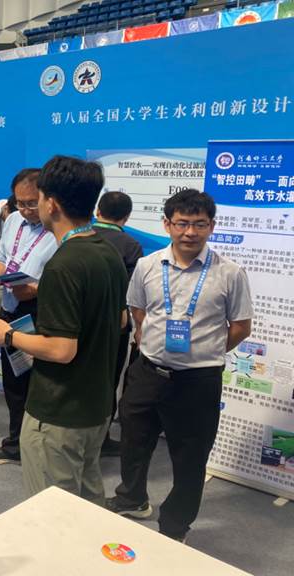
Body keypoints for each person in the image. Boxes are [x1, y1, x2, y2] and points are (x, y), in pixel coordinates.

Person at [106, 189, 252, 542]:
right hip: (147, 371)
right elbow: (138, 311)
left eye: (199, 224)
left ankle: (174, 526)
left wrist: (204, 353)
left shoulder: (230, 273)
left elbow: (240, 327)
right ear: (167, 224)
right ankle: (132, 498)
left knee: (189, 459)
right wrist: (152, 342)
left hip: (197, 382)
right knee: (133, 441)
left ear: (211, 226)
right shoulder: (147, 266)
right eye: (182, 223)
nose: (190, 232)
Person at [0, 155, 127, 505]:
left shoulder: (64, 264)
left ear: (52, 204)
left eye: (39, 198)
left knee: (52, 512)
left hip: (59, 412)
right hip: (94, 407)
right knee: (87, 503)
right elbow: (122, 321)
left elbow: (62, 349)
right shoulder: (107, 252)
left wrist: (8, 335)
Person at [0, 168, 58, 465]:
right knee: (15, 382)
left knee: (41, 383)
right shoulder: (13, 220)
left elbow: (64, 279)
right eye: (19, 203)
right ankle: (16, 444)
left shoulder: (58, 230)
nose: (25, 210)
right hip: (11, 308)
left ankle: (43, 446)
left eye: (31, 203)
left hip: (40, 312)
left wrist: (35, 290)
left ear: (47, 199)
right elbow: (2, 256)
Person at [92, 191, 144, 457]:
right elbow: (131, 293)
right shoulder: (131, 246)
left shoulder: (80, 237)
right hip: (115, 324)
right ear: (127, 216)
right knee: (109, 380)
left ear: (98, 211)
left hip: (78, 323)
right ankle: (101, 439)